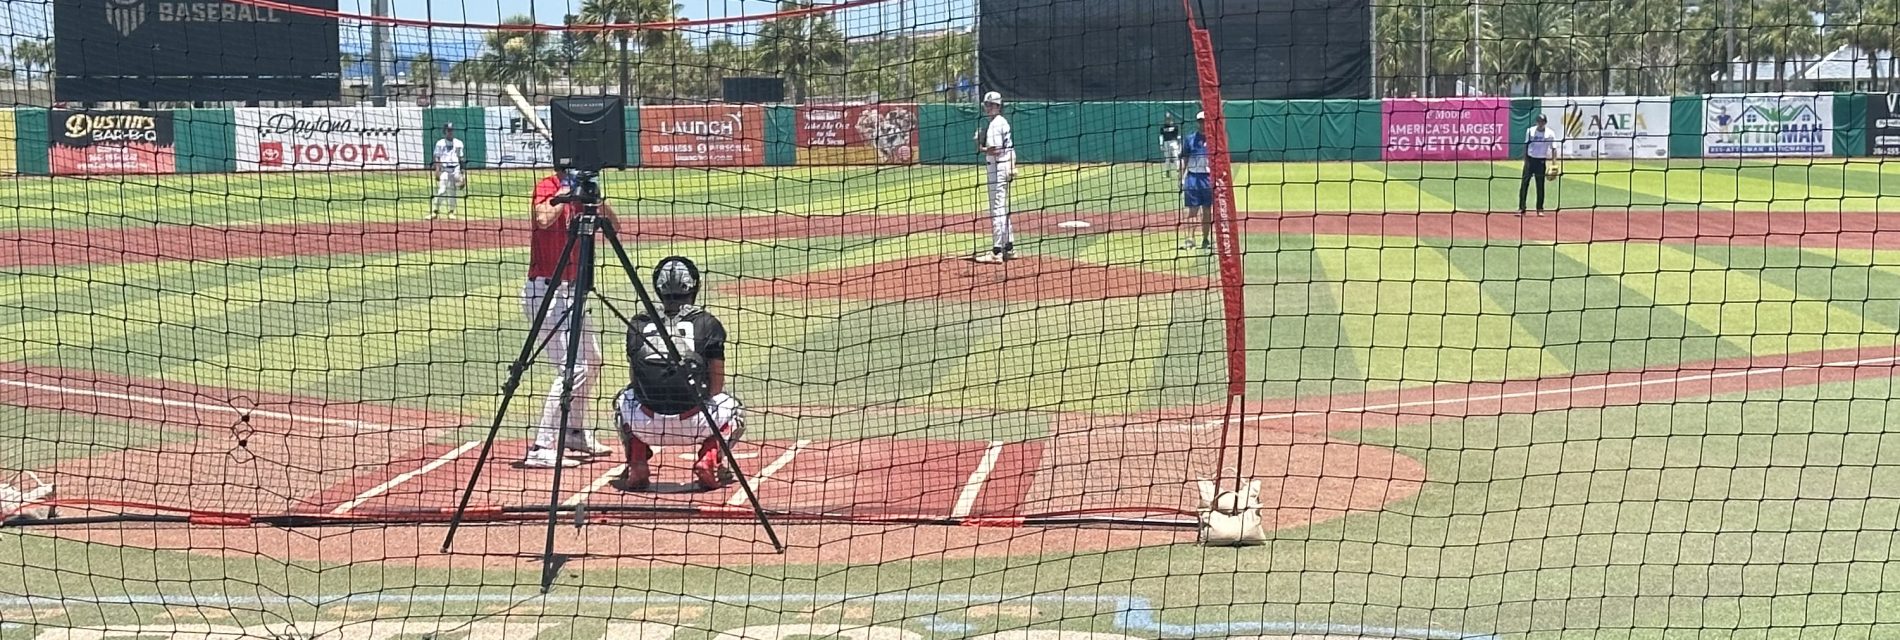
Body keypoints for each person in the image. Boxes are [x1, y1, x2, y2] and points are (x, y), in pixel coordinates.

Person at [614, 256, 745, 491]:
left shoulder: (639, 322)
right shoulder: (707, 322)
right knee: (735, 408)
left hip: (644, 423)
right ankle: (709, 457)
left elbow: (635, 382)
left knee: (621, 399)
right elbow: (716, 384)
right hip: (696, 421)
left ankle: (637, 460)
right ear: (694, 286)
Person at [519, 170, 619, 469]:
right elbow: (543, 219)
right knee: (571, 368)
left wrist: (595, 198)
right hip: (545, 291)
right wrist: (565, 191)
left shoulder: (584, 192)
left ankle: (573, 432)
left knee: (592, 361)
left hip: (574, 291)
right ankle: (541, 446)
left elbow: (614, 226)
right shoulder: (549, 184)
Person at [974, 91, 1017, 264]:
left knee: (997, 209)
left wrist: (979, 146)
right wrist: (1013, 166)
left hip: (997, 168)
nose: (987, 107)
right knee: (1002, 208)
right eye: (986, 104)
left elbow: (996, 149)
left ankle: (996, 251)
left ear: (997, 106)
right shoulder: (1003, 122)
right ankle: (1009, 247)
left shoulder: (995, 125)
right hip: (1004, 166)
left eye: (990, 105)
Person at [1177, 111, 1213, 252]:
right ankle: (1190, 240)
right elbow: (1184, 160)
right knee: (1192, 211)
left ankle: (1205, 239)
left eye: (1204, 121)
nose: (1202, 123)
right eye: (1200, 121)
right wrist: (1180, 178)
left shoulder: (1214, 139)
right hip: (1193, 178)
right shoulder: (1190, 139)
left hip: (1208, 179)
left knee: (1207, 211)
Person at [1519, 114, 1562, 216]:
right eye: (1539, 121)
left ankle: (1540, 209)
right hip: (1530, 160)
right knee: (1524, 184)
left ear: (1545, 122)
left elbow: (1553, 148)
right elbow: (1526, 145)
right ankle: (1522, 208)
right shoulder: (1530, 131)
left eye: (1542, 121)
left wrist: (1554, 164)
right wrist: (1525, 160)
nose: (1540, 123)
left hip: (1541, 161)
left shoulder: (1550, 133)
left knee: (1540, 186)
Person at [430, 123, 467, 220]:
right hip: (445, 170)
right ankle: (435, 212)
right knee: (442, 191)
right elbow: (437, 157)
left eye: (451, 130)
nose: (450, 132)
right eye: (448, 130)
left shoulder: (459, 143)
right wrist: (437, 170)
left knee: (452, 192)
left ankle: (451, 212)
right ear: (445, 131)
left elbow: (461, 158)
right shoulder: (440, 143)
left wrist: (463, 176)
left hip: (456, 169)